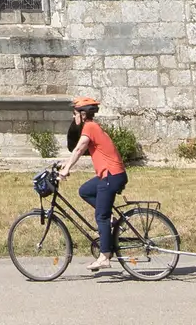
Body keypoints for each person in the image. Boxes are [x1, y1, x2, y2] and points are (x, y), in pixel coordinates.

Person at [56, 96, 126, 273]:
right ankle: (112, 219)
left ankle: (104, 256)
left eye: (74, 114)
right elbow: (78, 151)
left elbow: (79, 149)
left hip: (111, 175)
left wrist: (66, 169)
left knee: (100, 216)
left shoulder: (90, 127)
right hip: (110, 174)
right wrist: (65, 164)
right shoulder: (91, 127)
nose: (74, 118)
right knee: (85, 190)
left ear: (82, 114)